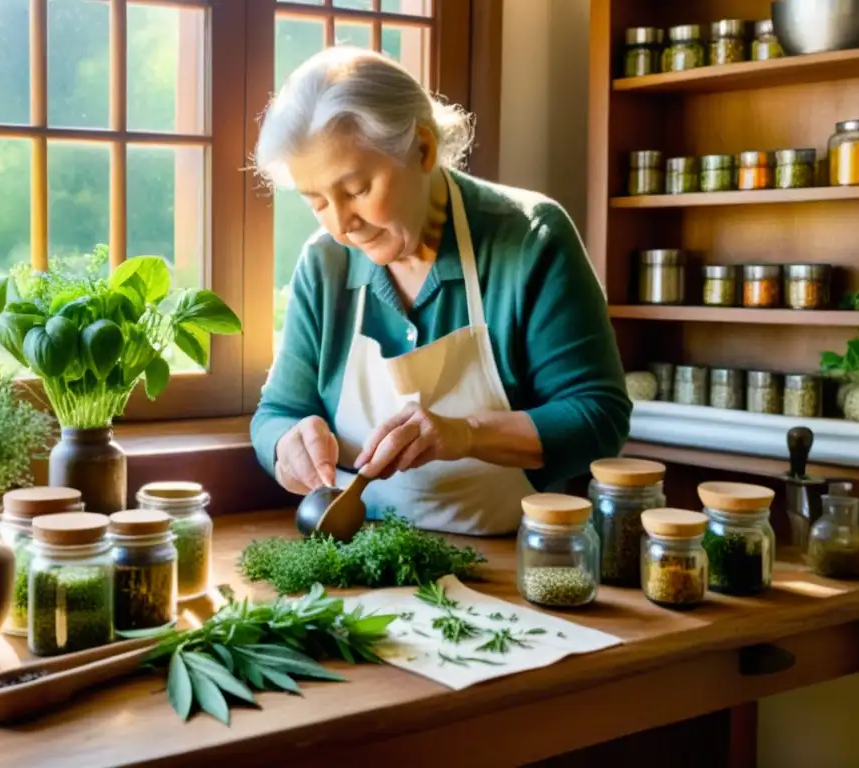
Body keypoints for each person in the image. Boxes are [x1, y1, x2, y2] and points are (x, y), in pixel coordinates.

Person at [249, 46, 631, 536]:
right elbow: (278, 412)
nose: (342, 224)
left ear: (423, 150)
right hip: (360, 557)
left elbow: (598, 418)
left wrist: (464, 434)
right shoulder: (325, 262)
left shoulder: (529, 240)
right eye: (317, 201)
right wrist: (288, 444)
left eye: (356, 189)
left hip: (512, 563)